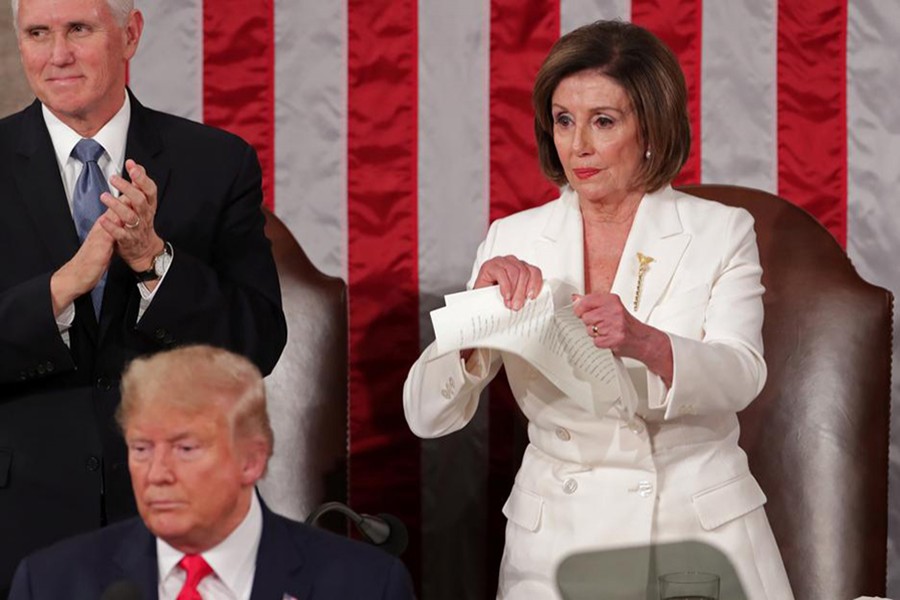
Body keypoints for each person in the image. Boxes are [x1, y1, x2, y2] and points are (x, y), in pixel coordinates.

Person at [403, 20, 794, 600]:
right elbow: (427, 416)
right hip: (558, 535)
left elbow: (742, 374)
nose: (577, 145)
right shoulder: (514, 238)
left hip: (693, 530)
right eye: (564, 120)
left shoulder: (721, 231)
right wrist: (475, 328)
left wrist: (648, 343)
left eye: (603, 121)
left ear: (652, 129)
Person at [0, 0, 287, 593]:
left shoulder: (217, 162)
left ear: (129, 35)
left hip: (176, 512)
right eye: (37, 34)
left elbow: (256, 344)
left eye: (79, 29)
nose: (58, 55)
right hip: (17, 518)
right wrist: (59, 290)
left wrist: (155, 260)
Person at [8, 345, 415, 600]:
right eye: (141, 449)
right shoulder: (51, 584)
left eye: (185, 448)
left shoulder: (365, 586)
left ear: (252, 459)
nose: (157, 473)